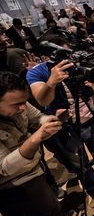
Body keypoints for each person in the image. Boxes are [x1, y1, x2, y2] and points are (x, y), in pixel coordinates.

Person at [27, 35, 94, 206]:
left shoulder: (75, 63)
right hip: (65, 126)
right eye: (61, 54)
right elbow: (43, 101)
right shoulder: (36, 72)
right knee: (81, 163)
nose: (66, 58)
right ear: (48, 56)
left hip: (89, 116)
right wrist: (51, 82)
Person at [0, 72, 63, 215]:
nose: (23, 107)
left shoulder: (19, 102)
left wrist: (49, 121)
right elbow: (4, 168)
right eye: (17, 104)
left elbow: (38, 117)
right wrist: (36, 138)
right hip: (13, 189)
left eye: (24, 102)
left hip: (35, 173)